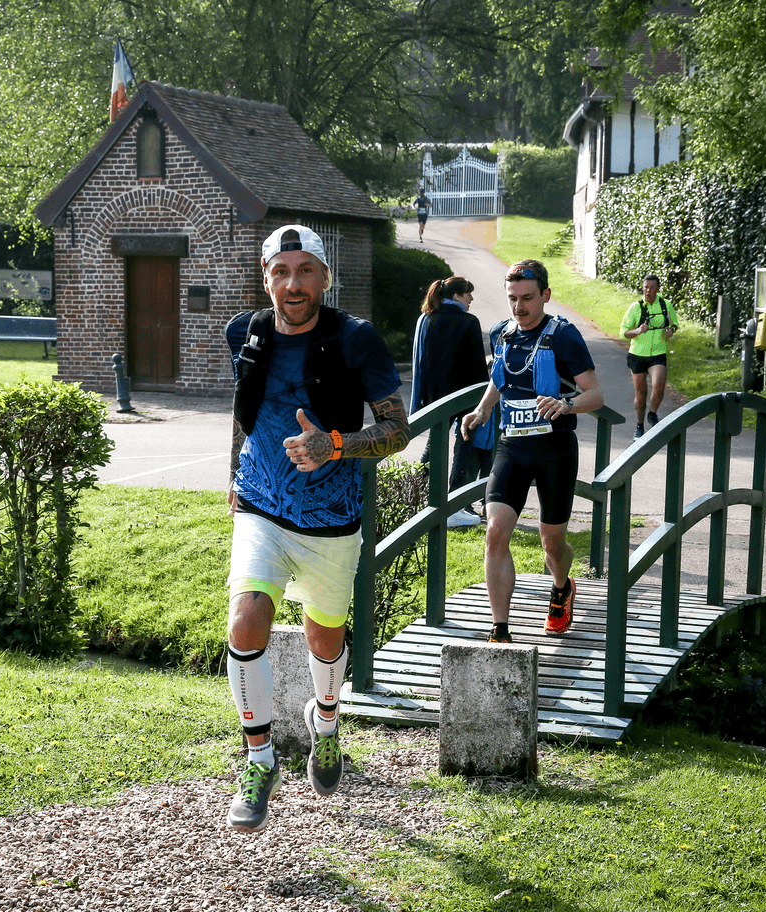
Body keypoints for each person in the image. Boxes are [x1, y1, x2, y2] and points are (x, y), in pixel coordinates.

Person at [222, 225, 410, 832]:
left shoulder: (355, 341)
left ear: (325, 277)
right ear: (266, 276)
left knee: (324, 636)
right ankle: (259, 761)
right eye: (282, 271)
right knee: (247, 616)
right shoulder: (245, 333)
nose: (293, 284)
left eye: (305, 271)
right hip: (261, 505)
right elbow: (244, 408)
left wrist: (333, 445)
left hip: (331, 519)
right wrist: (233, 473)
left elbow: (397, 430)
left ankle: (326, 720)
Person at [461, 259, 603, 643]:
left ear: (545, 295)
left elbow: (595, 394)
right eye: (512, 299)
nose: (519, 307)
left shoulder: (563, 336)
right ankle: (500, 629)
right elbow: (500, 377)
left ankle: (561, 587)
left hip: (554, 448)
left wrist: (567, 405)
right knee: (495, 532)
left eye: (527, 298)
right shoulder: (502, 333)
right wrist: (483, 407)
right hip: (512, 446)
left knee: (551, 541)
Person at [411, 276, 492, 528]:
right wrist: (482, 402)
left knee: (432, 446)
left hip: (436, 395)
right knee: (465, 447)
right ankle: (457, 502)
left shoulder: (427, 318)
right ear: (457, 295)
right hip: (465, 396)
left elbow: (422, 360)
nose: (471, 299)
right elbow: (478, 366)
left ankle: (413, 494)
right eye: (468, 294)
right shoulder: (469, 321)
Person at [620, 274, 678, 439]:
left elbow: (674, 323)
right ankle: (639, 425)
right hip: (637, 355)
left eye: (652, 288)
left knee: (659, 385)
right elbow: (623, 332)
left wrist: (671, 330)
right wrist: (638, 331)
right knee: (641, 393)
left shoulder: (665, 305)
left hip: (658, 353)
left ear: (658, 289)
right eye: (646, 287)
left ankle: (652, 413)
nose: (648, 291)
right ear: (642, 288)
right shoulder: (635, 308)